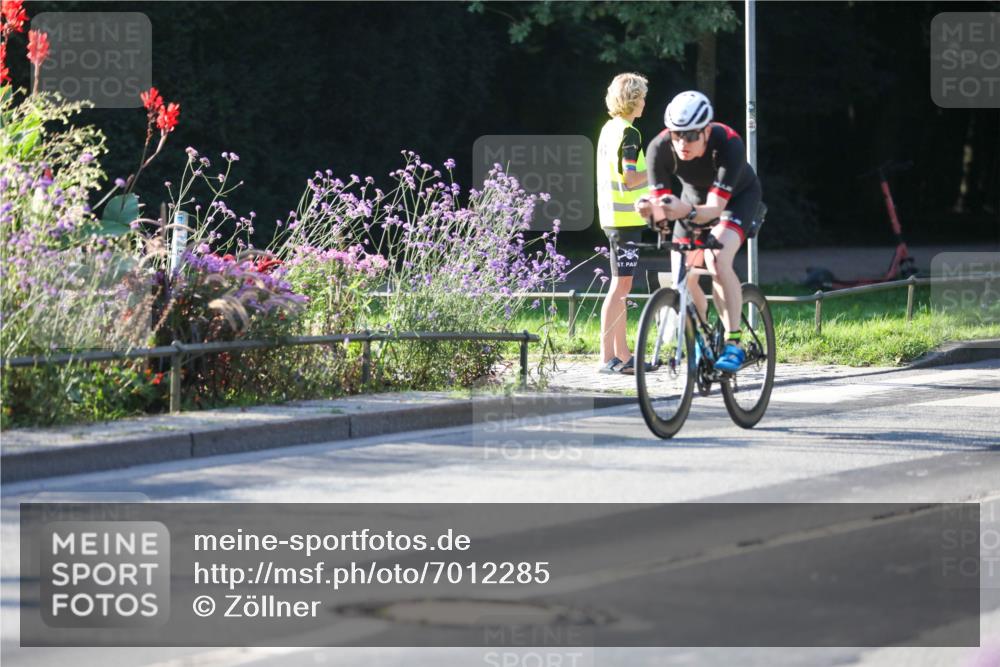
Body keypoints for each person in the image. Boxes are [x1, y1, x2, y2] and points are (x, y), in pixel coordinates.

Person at [635, 90, 762, 373]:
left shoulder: (728, 143)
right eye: (676, 134)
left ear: (706, 131)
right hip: (691, 201)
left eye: (691, 135)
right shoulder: (658, 148)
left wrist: (684, 211)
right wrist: (650, 211)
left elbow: (715, 208)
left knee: (716, 259)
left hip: (736, 201)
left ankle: (733, 342)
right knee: (682, 276)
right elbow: (662, 212)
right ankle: (701, 337)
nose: (683, 142)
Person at [595, 73, 651, 374]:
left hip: (614, 216)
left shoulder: (609, 129)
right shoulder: (630, 133)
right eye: (641, 97)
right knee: (620, 286)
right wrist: (656, 170)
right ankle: (608, 357)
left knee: (622, 286)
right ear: (631, 100)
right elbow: (630, 179)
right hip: (625, 218)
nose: (644, 102)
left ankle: (622, 355)